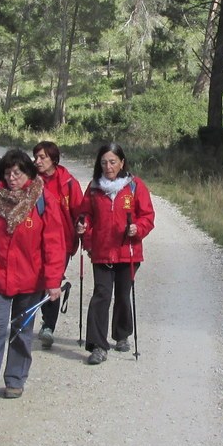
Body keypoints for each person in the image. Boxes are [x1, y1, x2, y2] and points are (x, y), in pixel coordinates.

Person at [0, 148, 66, 407]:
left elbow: (54, 243)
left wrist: (53, 281)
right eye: (7, 173)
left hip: (31, 279)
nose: (11, 178)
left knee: (21, 330)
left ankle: (15, 379)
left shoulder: (43, 200)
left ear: (29, 174)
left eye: (17, 173)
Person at [76, 142, 155, 365]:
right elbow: (85, 215)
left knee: (122, 295)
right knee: (101, 295)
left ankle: (121, 334)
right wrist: (84, 229)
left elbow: (147, 216)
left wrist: (137, 229)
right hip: (101, 251)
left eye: (112, 162)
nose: (108, 166)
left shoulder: (134, 186)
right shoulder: (94, 187)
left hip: (127, 251)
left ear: (122, 162)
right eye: (103, 162)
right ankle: (98, 346)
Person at [32, 140, 82, 350]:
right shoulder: (31, 181)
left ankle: (48, 326)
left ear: (54, 159)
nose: (38, 161)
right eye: (36, 157)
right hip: (34, 239)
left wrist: (82, 228)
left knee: (52, 279)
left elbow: (80, 211)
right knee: (35, 280)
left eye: (42, 157)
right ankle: (26, 321)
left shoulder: (69, 183)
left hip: (61, 242)